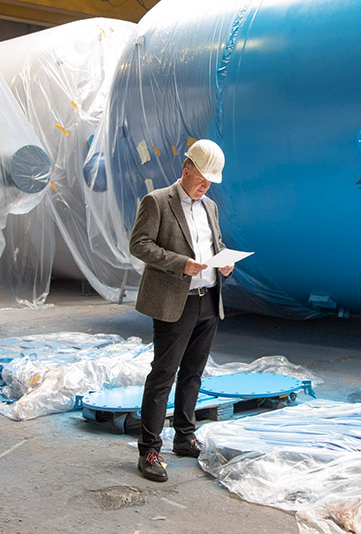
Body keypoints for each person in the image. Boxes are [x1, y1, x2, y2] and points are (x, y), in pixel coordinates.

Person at [129, 139, 234, 483]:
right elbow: (139, 244)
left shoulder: (210, 207)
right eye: (202, 180)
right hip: (175, 302)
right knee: (163, 376)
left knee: (193, 374)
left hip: (208, 299)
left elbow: (213, 245)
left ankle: (185, 437)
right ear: (186, 170)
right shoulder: (158, 202)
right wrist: (180, 264)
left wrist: (224, 262)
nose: (205, 187)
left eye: (210, 183)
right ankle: (149, 449)